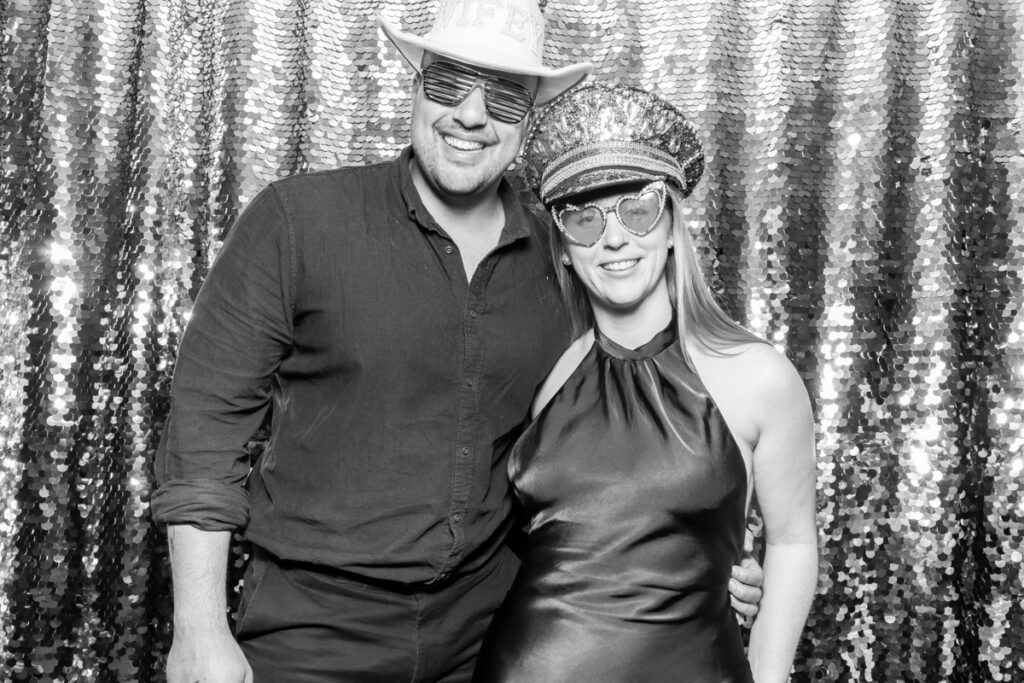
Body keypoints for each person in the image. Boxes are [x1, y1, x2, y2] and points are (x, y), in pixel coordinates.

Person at [151, 1, 764, 681]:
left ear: (529, 116)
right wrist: (199, 627)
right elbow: (207, 424)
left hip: (491, 634)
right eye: (448, 85)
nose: (471, 116)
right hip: (313, 631)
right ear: (414, 85)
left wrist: (709, 558)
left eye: (502, 95)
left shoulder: (566, 255)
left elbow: (634, 423)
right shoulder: (297, 221)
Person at [471, 81, 819, 683]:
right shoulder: (551, 375)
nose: (613, 238)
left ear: (670, 225)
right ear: (562, 248)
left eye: (637, 209)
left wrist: (769, 669)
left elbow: (791, 543)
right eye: (583, 220)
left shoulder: (757, 376)